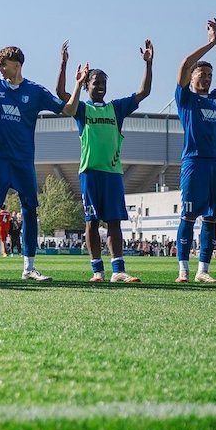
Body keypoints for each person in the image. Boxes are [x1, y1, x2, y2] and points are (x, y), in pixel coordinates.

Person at [0, 40, 75, 282]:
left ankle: (29, 268)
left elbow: (68, 110)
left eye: (3, 64)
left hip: (23, 161)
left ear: (17, 65)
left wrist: (76, 81)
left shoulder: (35, 91)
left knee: (30, 210)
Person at [67, 39, 153, 283]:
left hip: (113, 173)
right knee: (92, 222)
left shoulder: (116, 109)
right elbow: (62, 95)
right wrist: (67, 71)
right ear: (87, 86)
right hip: (90, 173)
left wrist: (149, 64)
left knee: (115, 222)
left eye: (104, 83)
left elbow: (143, 92)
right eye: (96, 83)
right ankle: (97, 270)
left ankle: (118, 270)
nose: (101, 87)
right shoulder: (83, 110)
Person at [171, 19, 216, 283]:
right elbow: (183, 65)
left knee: (211, 218)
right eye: (203, 74)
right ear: (192, 77)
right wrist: (208, 44)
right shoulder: (185, 98)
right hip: (194, 163)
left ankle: (203, 270)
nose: (208, 78)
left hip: (215, 164)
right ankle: (183, 270)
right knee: (189, 215)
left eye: (210, 75)